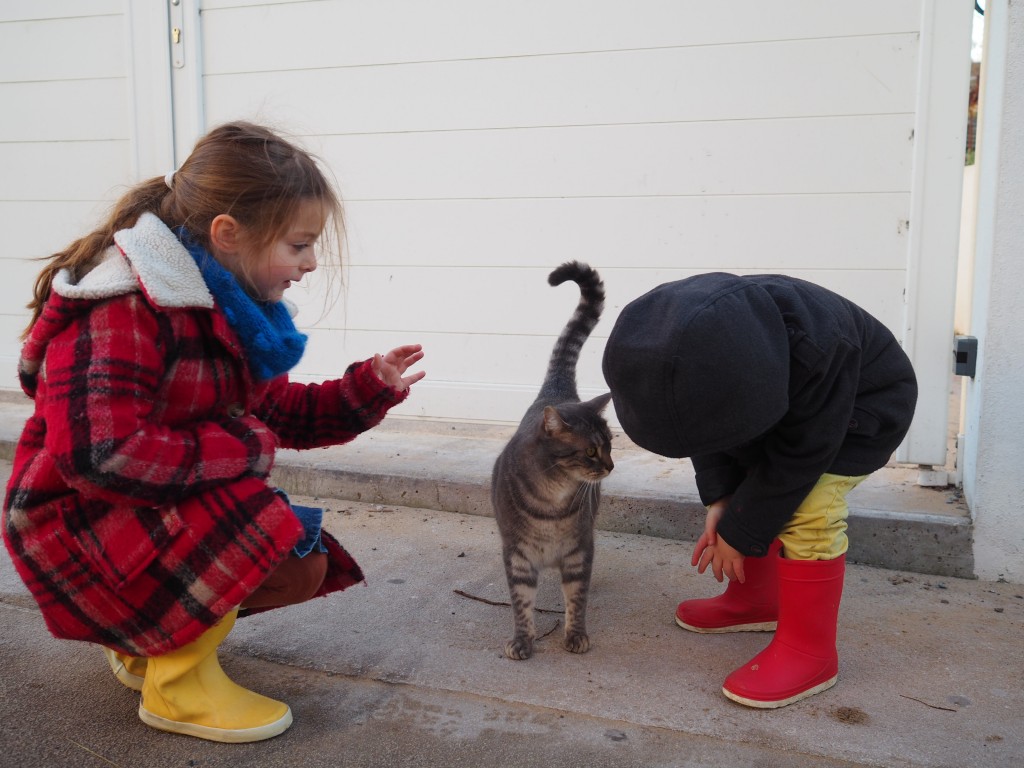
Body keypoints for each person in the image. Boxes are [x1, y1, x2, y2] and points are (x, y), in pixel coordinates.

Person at [2, 121, 425, 742]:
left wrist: (368, 387)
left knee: (295, 561)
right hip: (69, 516)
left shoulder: (224, 307)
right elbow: (97, 455)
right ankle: (177, 688)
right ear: (228, 234)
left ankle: (144, 647)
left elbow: (283, 414)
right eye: (299, 245)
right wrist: (244, 447)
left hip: (127, 507)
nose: (309, 264)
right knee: (261, 526)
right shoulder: (123, 309)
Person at [601, 272, 917, 709]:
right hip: (784, 405)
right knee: (752, 490)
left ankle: (811, 652)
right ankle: (760, 600)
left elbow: (801, 458)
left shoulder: (821, 345)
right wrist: (721, 499)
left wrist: (741, 529)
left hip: (858, 412)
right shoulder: (705, 348)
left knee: (807, 505)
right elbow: (704, 430)